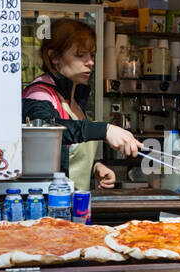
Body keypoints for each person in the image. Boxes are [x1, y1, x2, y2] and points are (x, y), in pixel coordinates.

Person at [21, 18, 140, 190]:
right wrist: (105, 129)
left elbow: (69, 154)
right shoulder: (40, 94)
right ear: (54, 57)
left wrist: (95, 167)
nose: (90, 62)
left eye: (91, 55)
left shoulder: (73, 98)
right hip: (52, 206)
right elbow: (47, 132)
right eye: (80, 55)